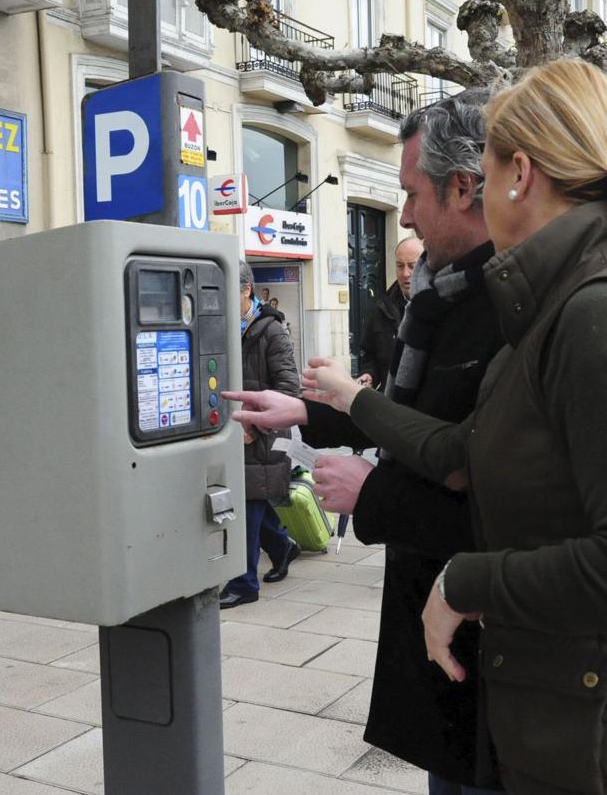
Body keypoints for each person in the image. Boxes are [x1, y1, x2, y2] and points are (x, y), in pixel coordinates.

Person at [295, 58, 607, 794]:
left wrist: (464, 580)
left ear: (518, 173)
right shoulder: (561, 297)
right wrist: (354, 402)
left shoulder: (602, 312)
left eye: (485, 167)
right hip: (573, 724)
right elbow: (466, 449)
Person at [225, 90, 505, 794]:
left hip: (486, 629)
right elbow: (407, 416)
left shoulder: (507, 307)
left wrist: (371, 492)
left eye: (412, 195)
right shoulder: (440, 297)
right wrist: (302, 412)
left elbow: (505, 495)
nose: (403, 216)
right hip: (436, 609)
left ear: (465, 188)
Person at [219, 262, 301, 609]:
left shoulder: (270, 332)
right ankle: (283, 547)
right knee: (255, 499)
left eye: (228, 293)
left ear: (247, 290)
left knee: (249, 500)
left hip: (260, 433)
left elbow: (289, 389)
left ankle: (244, 582)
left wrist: (254, 425)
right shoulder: (224, 327)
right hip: (232, 428)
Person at [358, 236, 426, 390]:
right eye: (400, 266)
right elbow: (369, 354)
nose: (405, 273)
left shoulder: (443, 304)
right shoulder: (381, 309)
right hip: (390, 404)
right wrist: (369, 375)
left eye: (412, 266)